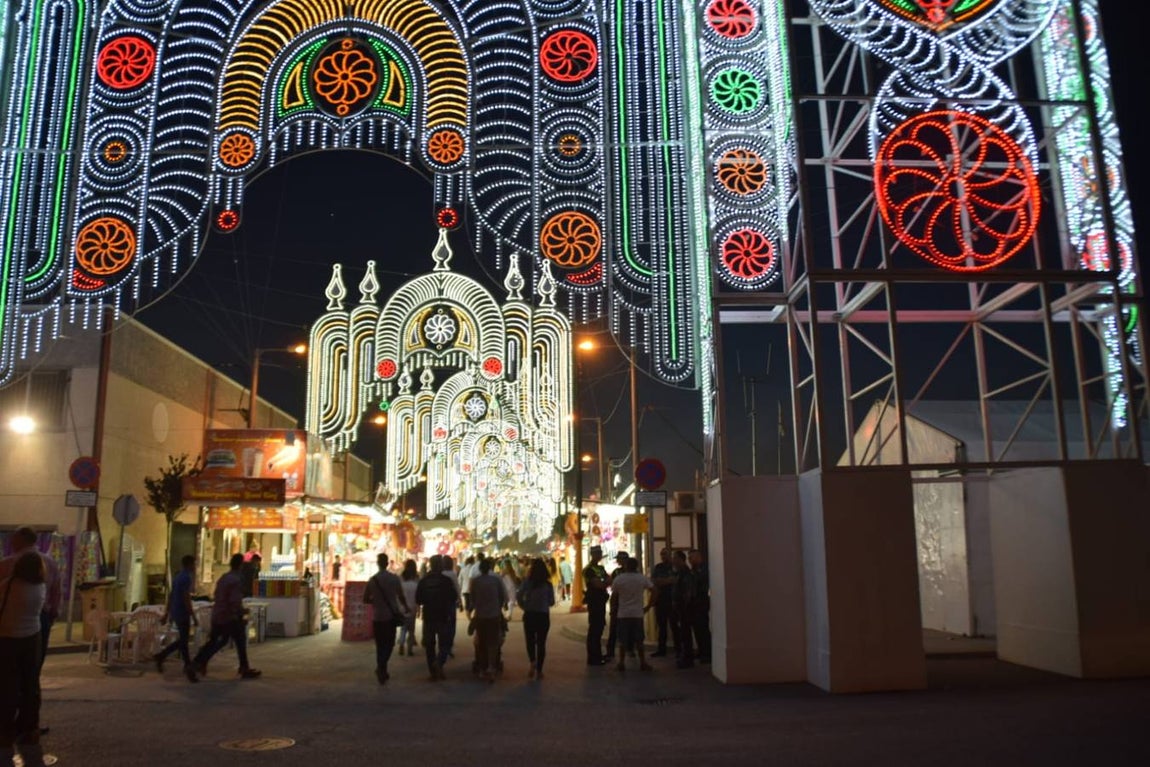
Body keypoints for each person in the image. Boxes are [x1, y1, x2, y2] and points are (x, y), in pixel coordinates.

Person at [0, 551, 47, 766]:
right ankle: (29, 729)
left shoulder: (9, 585)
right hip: (32, 638)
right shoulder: (40, 587)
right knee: (30, 685)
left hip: (7, 638)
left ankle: (5, 733)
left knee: (8, 686)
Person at [192, 553, 261, 679]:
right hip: (230, 617)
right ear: (241, 565)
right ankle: (243, 668)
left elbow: (217, 594)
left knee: (216, 641)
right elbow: (234, 600)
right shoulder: (235, 580)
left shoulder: (224, 577)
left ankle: (199, 661)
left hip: (218, 614)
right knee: (239, 640)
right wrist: (241, 612)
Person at [0, 527, 60, 672]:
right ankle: (30, 688)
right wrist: (54, 612)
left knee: (9, 666)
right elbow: (56, 591)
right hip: (40, 620)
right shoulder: (49, 562)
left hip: (9, 621)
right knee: (34, 663)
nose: (11, 542)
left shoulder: (6, 564)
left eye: (13, 539)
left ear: (20, 540)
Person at [153, 554, 199, 683]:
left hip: (176, 611)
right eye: (194, 564)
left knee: (183, 641)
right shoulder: (186, 578)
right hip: (182, 612)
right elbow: (186, 598)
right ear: (190, 564)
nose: (195, 566)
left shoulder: (178, 577)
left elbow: (171, 595)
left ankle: (185, 665)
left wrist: (167, 613)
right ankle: (164, 657)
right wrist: (193, 615)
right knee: (183, 641)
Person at [364, 552, 407, 685]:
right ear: (387, 563)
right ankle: (382, 667)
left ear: (378, 563)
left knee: (380, 644)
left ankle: (381, 667)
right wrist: (406, 607)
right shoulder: (394, 578)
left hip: (377, 617)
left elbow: (365, 599)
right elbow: (400, 596)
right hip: (390, 616)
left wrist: (376, 601)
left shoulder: (372, 580)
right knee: (389, 644)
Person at [415, 555, 456, 680]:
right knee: (445, 644)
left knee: (430, 646)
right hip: (443, 616)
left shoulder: (424, 581)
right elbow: (453, 597)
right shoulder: (446, 581)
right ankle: (439, 663)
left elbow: (418, 599)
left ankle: (433, 672)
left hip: (428, 616)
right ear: (441, 566)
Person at [610, 557, 655, 672]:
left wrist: (613, 610)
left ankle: (621, 663)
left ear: (626, 566)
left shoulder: (619, 579)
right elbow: (654, 590)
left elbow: (614, 596)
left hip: (623, 613)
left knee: (622, 640)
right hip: (637, 614)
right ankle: (643, 663)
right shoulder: (641, 578)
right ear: (637, 566)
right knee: (639, 640)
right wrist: (649, 606)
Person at [468, 558, 507, 682]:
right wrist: (497, 606)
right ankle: (491, 667)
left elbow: (472, 599)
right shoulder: (496, 579)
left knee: (481, 642)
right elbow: (503, 596)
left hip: (480, 615)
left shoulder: (476, 581)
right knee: (493, 643)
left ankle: (481, 668)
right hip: (494, 615)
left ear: (480, 569)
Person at [516, 558, 555, 680]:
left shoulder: (527, 582)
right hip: (543, 616)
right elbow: (552, 601)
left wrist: (524, 605)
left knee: (530, 641)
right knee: (541, 643)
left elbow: (519, 595)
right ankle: (539, 670)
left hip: (530, 614)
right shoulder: (548, 585)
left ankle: (532, 661)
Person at [582, 545, 610, 665]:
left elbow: (609, 580)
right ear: (593, 555)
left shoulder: (600, 568)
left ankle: (597, 655)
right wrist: (604, 582)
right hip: (594, 601)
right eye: (597, 553)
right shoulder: (588, 569)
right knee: (594, 629)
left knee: (599, 628)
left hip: (601, 600)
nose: (599, 555)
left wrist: (603, 582)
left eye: (600, 553)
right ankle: (593, 657)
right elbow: (599, 584)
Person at [671, 550, 697, 668]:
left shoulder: (685, 573)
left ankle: (687, 658)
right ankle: (685, 656)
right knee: (683, 633)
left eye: (675, 558)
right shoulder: (680, 572)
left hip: (684, 608)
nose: (673, 560)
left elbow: (687, 591)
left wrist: (684, 606)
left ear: (681, 559)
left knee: (685, 633)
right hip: (680, 607)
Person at [650, 547, 677, 657]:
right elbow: (655, 581)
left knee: (675, 626)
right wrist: (667, 581)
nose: (663, 556)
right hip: (660, 601)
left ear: (670, 555)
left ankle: (678, 649)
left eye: (665, 554)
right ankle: (661, 650)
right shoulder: (658, 567)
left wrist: (663, 581)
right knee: (661, 627)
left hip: (672, 601)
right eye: (661, 554)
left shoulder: (674, 567)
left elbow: (675, 581)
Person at [689, 548, 712, 664]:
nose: (690, 560)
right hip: (694, 603)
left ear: (698, 557)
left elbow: (702, 584)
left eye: (691, 558)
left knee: (702, 628)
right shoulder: (693, 570)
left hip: (701, 602)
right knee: (697, 628)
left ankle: (707, 653)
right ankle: (701, 650)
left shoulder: (704, 570)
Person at [604, 550, 628, 658]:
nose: (617, 560)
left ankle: (628, 649)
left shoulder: (630, 572)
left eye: (619, 558)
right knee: (614, 628)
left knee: (624, 628)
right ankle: (611, 651)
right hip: (619, 602)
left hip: (625, 603)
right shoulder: (617, 572)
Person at [397, 559, 419, 656]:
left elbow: (398, 597)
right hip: (412, 608)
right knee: (411, 630)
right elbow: (417, 598)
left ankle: (401, 645)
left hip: (403, 609)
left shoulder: (402, 584)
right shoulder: (415, 584)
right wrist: (418, 609)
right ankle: (409, 650)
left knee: (403, 628)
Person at [441, 554, 460, 657]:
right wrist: (460, 601)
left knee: (442, 625)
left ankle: (442, 646)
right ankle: (449, 646)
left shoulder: (441, 573)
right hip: (451, 602)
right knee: (451, 626)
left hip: (440, 603)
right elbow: (457, 588)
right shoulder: (452, 574)